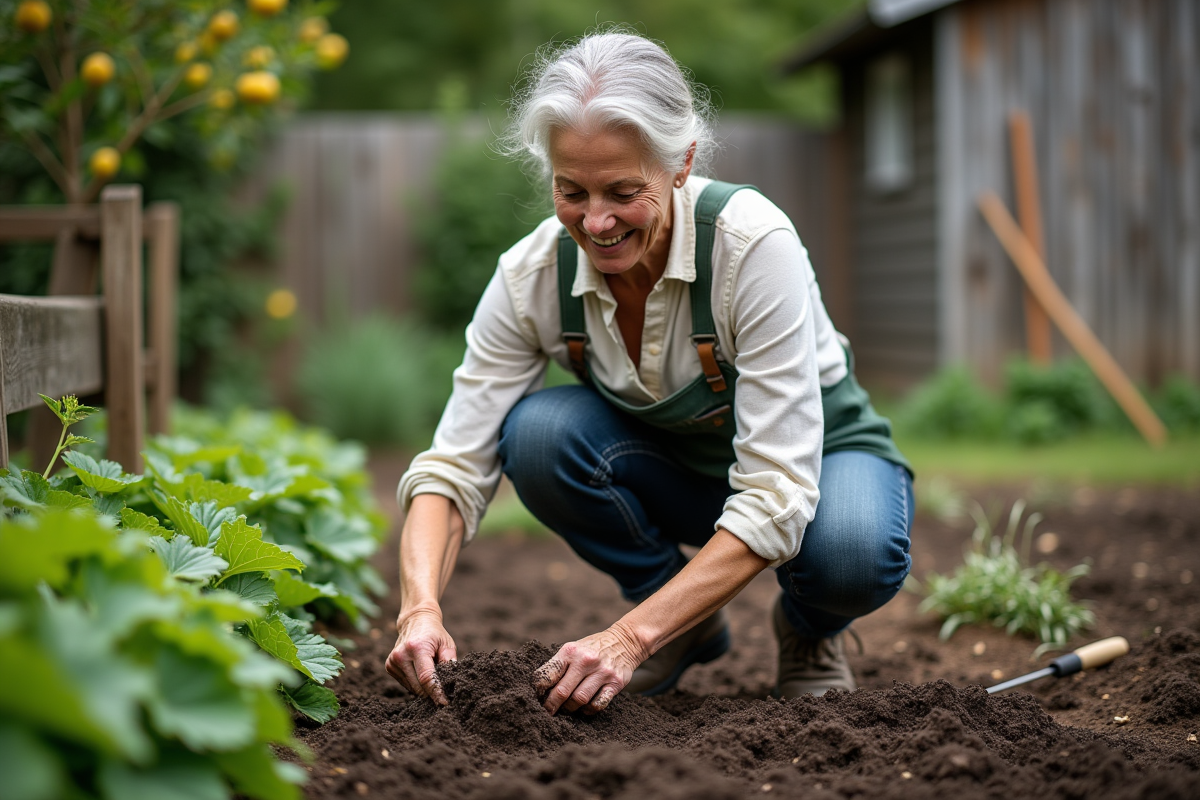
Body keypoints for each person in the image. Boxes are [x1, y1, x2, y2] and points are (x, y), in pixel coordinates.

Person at [385, 29, 913, 716]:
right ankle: (682, 627)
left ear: (683, 162)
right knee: (538, 434)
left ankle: (809, 631)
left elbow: (779, 490)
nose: (596, 221)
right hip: (672, 472)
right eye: (570, 189)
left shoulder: (751, 247)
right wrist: (417, 608)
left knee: (853, 552)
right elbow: (454, 464)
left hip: (817, 464)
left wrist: (626, 640)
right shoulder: (532, 277)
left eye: (623, 191)